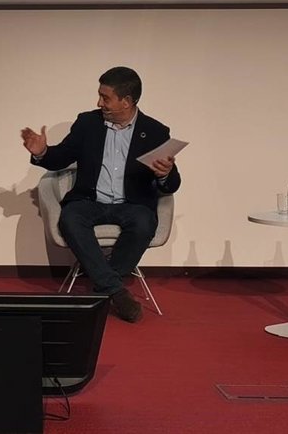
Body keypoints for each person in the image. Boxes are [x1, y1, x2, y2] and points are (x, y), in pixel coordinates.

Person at [21, 66, 181, 323]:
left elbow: (171, 184)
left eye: (105, 98)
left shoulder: (154, 132)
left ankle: (104, 287)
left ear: (126, 101)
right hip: (90, 201)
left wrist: (165, 174)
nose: (99, 103)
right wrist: (43, 152)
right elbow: (62, 157)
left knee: (144, 222)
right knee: (70, 218)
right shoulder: (88, 123)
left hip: (131, 204)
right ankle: (116, 290)